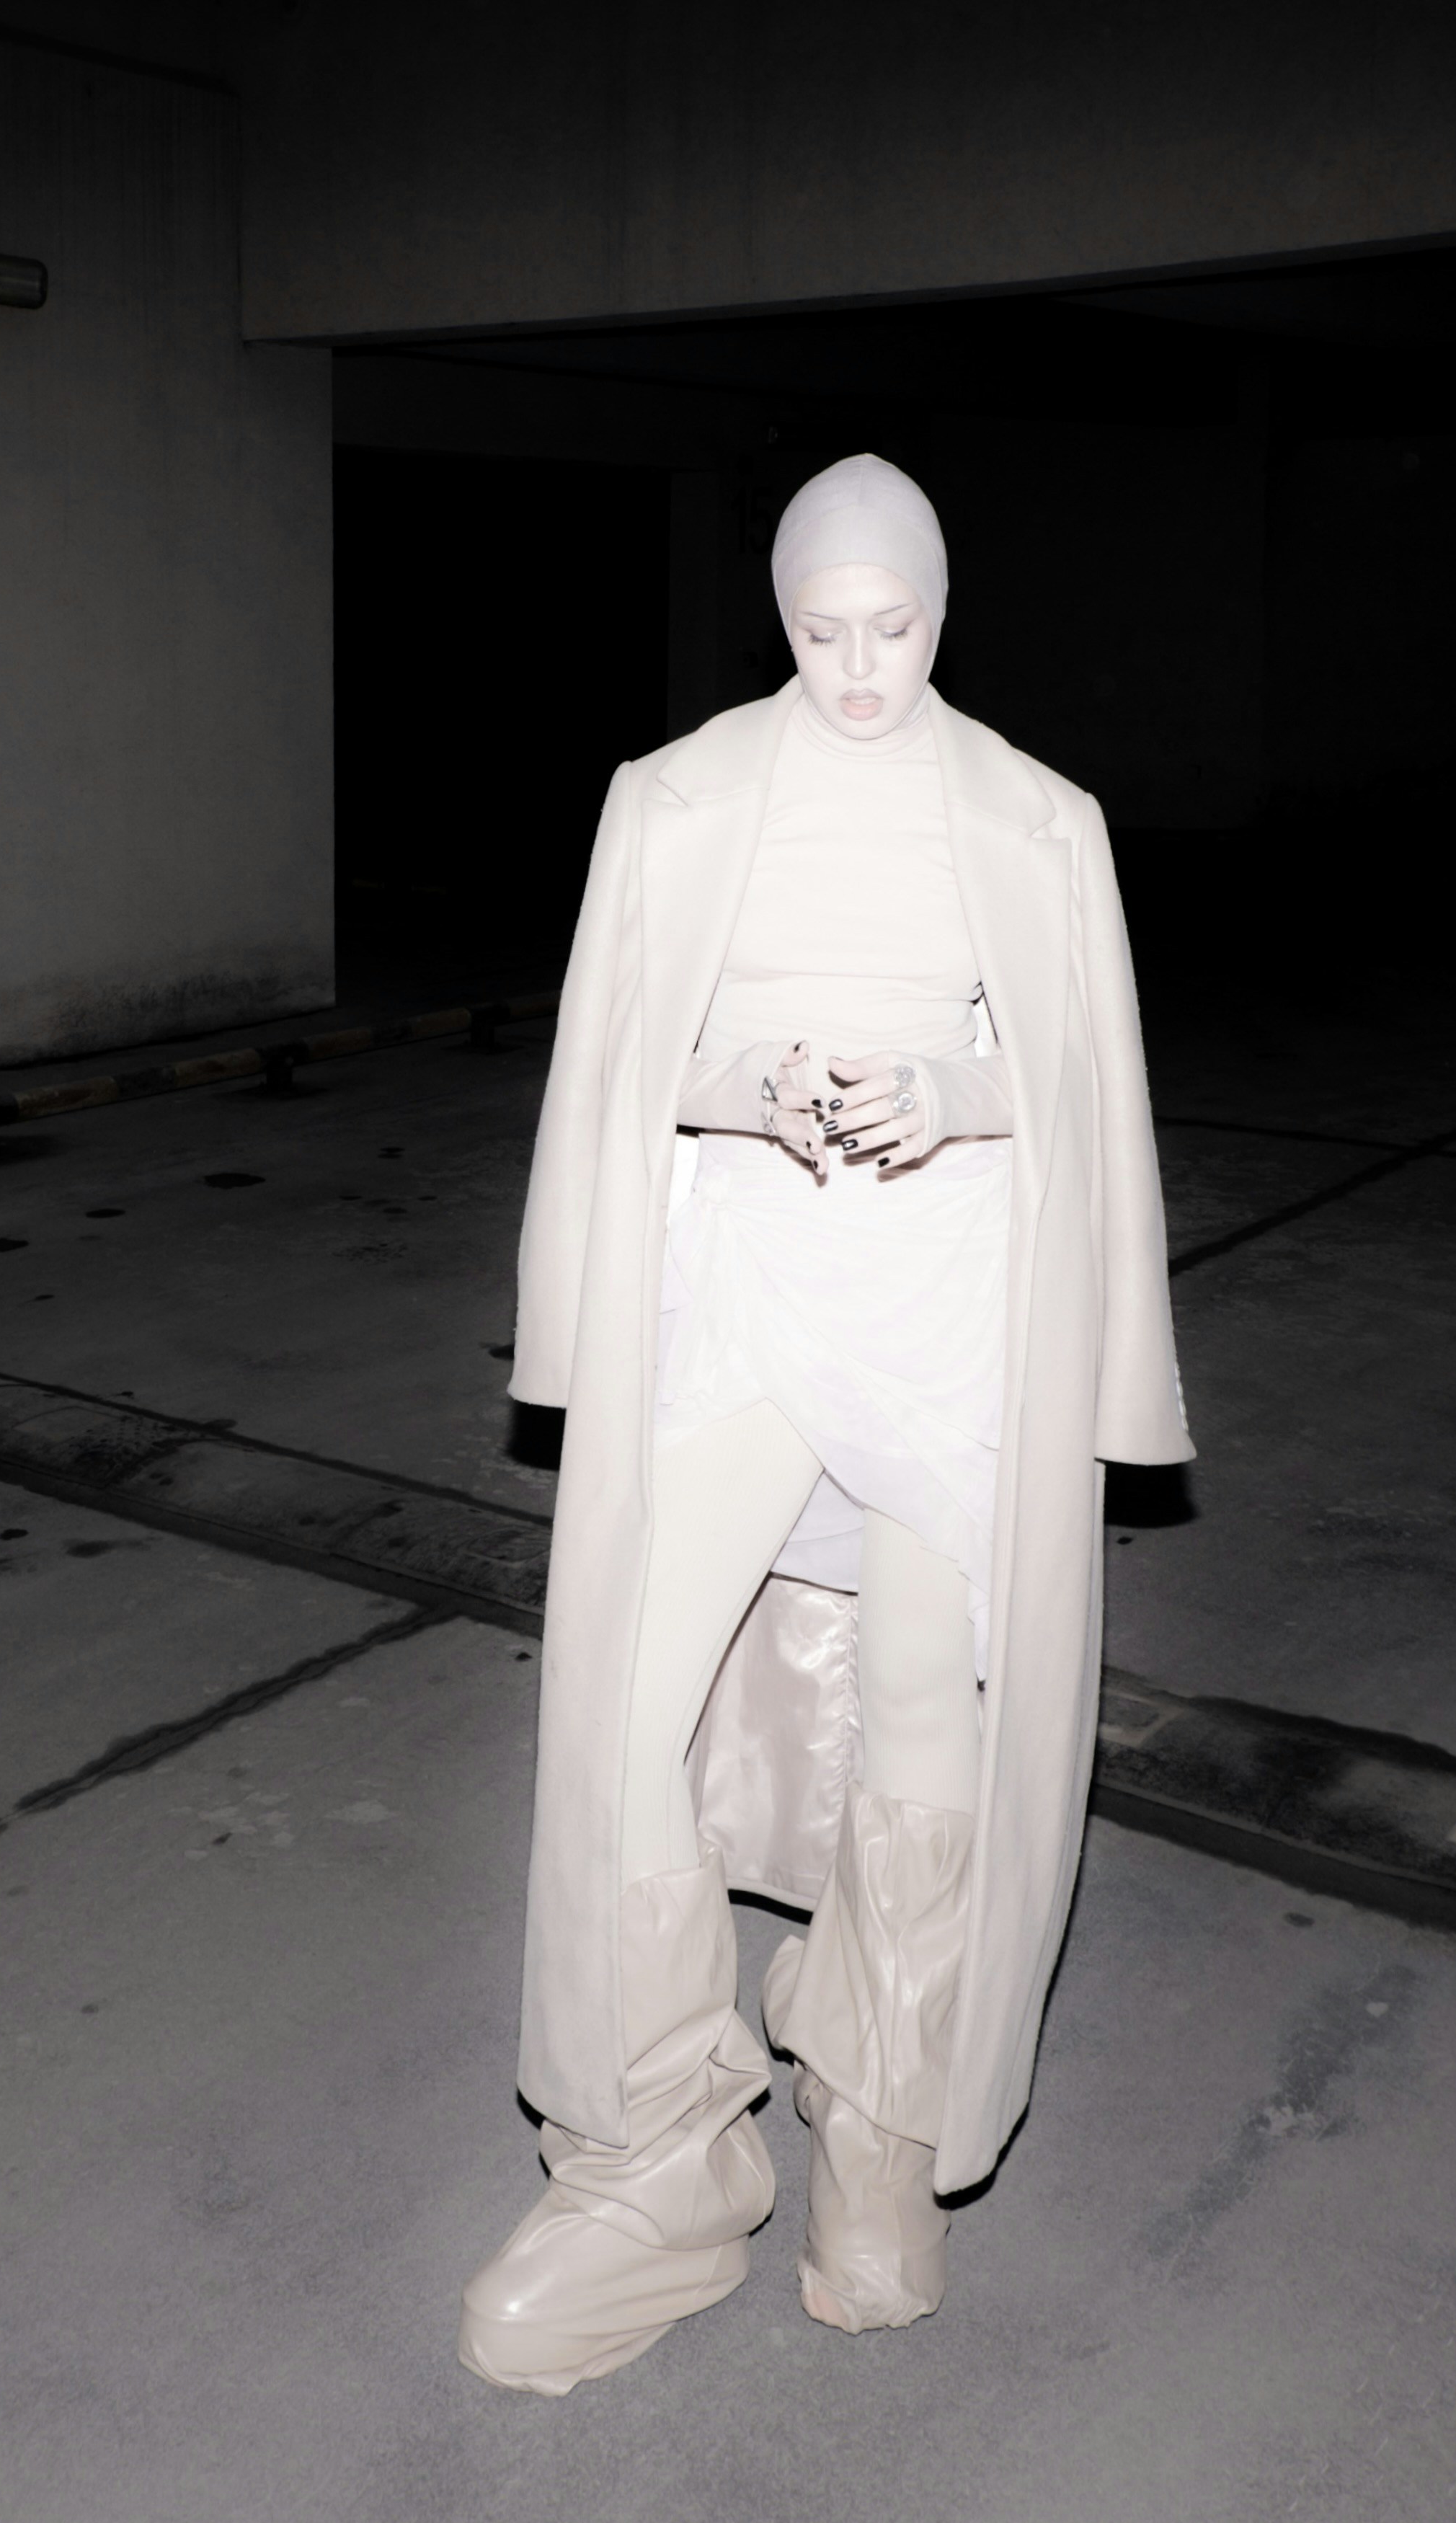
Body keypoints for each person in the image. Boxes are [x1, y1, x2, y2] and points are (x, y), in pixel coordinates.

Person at [458, 455, 1190, 2394]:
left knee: (930, 1709)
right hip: (740, 1301)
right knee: (622, 1702)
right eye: (820, 629)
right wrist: (754, 1080)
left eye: (897, 626)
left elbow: (1079, 1084)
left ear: (942, 609)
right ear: (776, 616)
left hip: (948, 1310)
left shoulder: (1034, 818)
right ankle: (656, 2159)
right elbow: (623, 1057)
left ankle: (877, 2123)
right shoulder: (678, 795)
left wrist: (952, 1090)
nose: (860, 667)